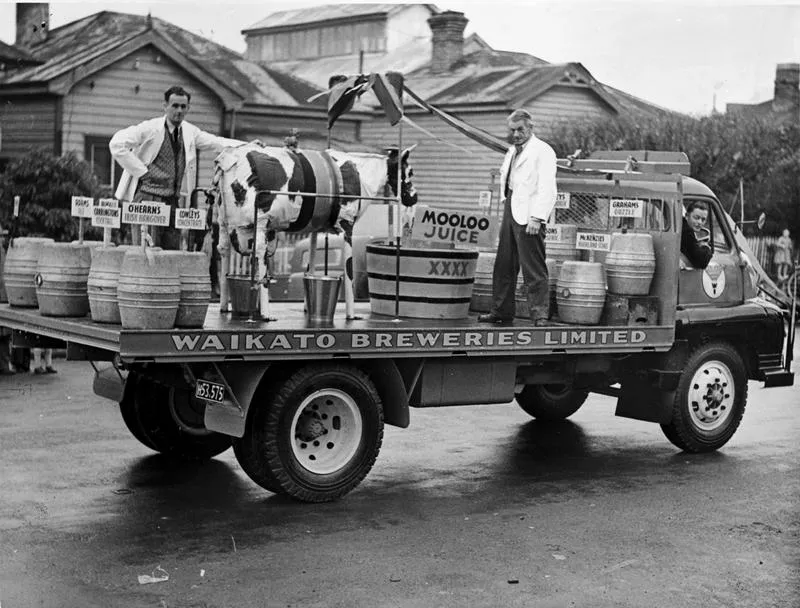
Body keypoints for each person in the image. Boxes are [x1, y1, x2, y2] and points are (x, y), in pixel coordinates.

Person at [110, 85, 245, 250]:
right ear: (165, 106)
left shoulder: (189, 132)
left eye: (183, 106)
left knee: (171, 255)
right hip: (148, 199)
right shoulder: (150, 128)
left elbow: (216, 142)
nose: (179, 110)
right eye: (174, 105)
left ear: (188, 108)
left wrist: (247, 146)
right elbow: (116, 144)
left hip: (172, 201)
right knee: (145, 253)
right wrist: (142, 171)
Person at [478, 109, 557, 326]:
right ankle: (501, 311)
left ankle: (539, 315)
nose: (516, 134)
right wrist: (506, 202)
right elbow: (508, 180)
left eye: (520, 129)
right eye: (512, 130)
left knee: (533, 267)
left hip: (530, 214)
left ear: (530, 128)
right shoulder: (512, 151)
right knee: (503, 264)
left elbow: (547, 188)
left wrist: (537, 217)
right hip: (511, 207)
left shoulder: (543, 151)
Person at [680, 201, 713, 270]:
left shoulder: (682, 227)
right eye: (696, 218)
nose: (700, 222)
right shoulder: (686, 232)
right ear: (686, 216)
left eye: (703, 219)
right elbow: (701, 262)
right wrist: (706, 247)